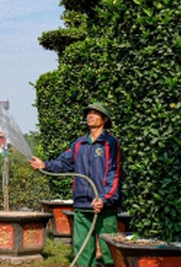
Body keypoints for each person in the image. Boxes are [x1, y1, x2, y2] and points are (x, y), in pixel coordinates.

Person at [30, 102, 122, 267]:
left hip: (105, 207)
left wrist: (104, 198)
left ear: (105, 119)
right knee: (82, 247)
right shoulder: (79, 144)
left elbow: (114, 174)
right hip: (82, 203)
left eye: (95, 113)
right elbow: (63, 163)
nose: (90, 116)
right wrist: (45, 165)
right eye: (89, 113)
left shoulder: (110, 143)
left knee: (109, 250)